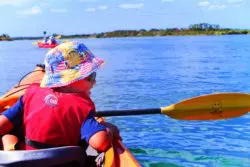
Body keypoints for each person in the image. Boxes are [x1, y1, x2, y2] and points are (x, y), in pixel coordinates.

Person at [0, 41, 120, 152]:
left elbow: (1, 125)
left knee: (9, 135)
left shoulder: (30, 95)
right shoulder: (81, 107)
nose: (95, 82)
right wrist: (109, 129)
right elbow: (100, 142)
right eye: (91, 76)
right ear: (72, 79)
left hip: (28, 161)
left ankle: (10, 148)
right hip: (64, 162)